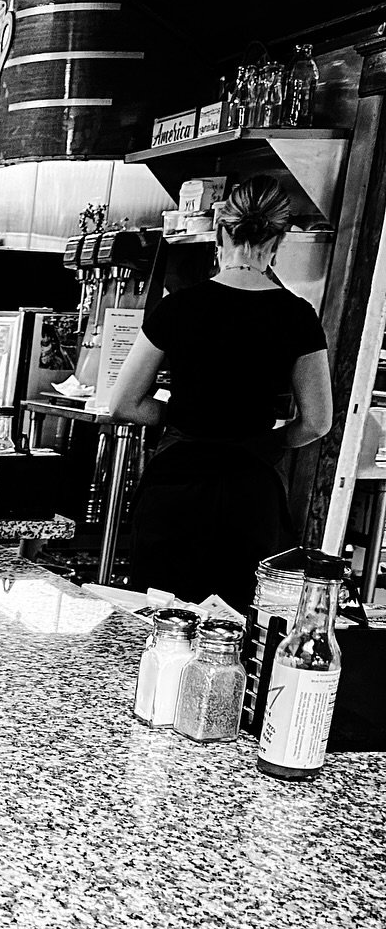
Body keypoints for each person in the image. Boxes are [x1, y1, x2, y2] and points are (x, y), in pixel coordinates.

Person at [109, 177, 332, 615]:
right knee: (236, 625)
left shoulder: (179, 307)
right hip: (250, 494)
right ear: (279, 241)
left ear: (220, 233)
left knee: (158, 620)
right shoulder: (297, 316)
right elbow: (317, 421)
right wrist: (262, 441)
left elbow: (125, 403)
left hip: (176, 487)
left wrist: (182, 419)